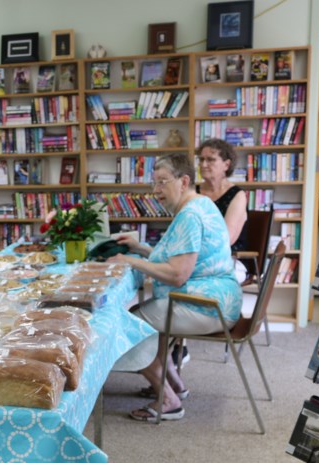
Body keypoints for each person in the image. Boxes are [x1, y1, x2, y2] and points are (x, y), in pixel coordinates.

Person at [108, 153, 241, 422]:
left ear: (183, 181)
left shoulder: (189, 215)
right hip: (217, 300)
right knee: (142, 316)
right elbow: (176, 258)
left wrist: (128, 260)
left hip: (208, 307)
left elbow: (178, 274)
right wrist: (139, 249)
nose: (156, 191)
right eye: (154, 184)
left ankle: (169, 400)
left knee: (127, 327)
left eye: (162, 182)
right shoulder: (200, 204)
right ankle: (176, 385)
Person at [195, 139, 248, 283]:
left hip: (229, 258)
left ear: (226, 164)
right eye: (201, 159)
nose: (203, 164)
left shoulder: (237, 195)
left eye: (210, 160)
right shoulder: (193, 192)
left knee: (196, 279)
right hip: (194, 256)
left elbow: (226, 239)